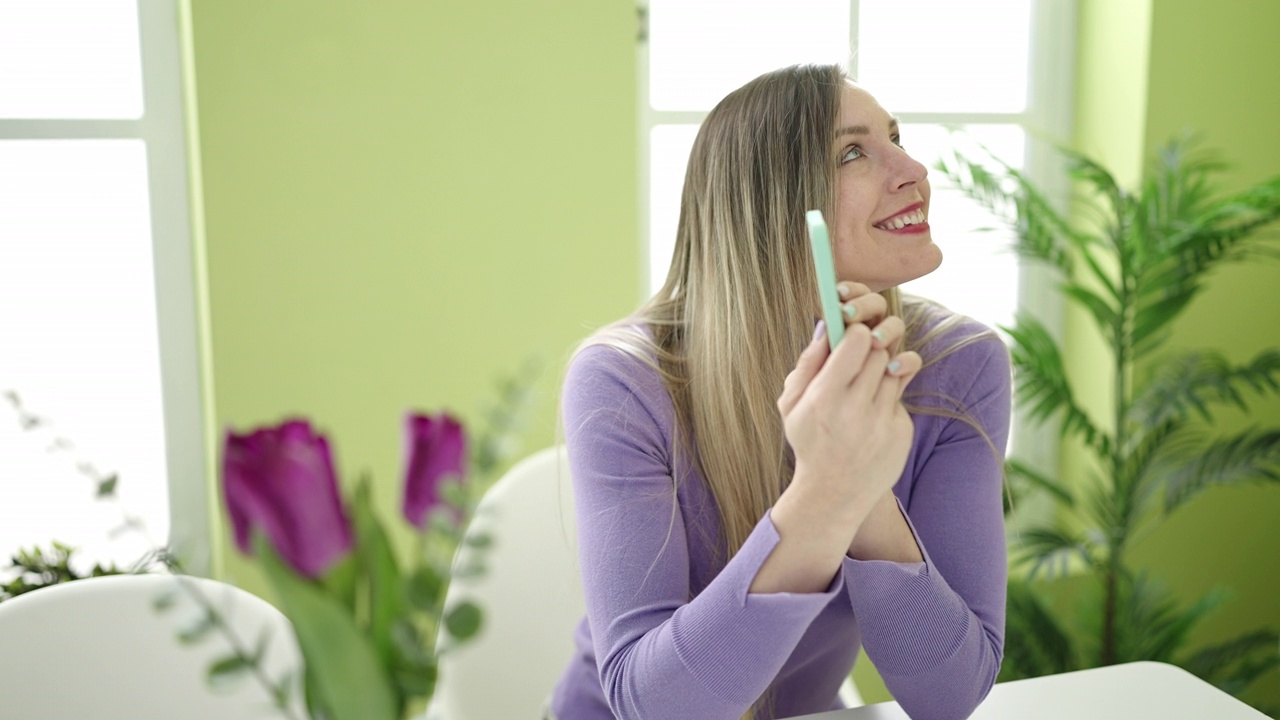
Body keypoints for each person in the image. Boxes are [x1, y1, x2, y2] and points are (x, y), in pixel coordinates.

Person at [549, 63, 1011, 720]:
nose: (913, 170)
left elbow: (951, 694)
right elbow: (652, 708)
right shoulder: (625, 380)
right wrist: (825, 493)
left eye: (896, 137)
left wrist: (862, 485)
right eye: (854, 151)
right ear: (770, 207)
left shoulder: (961, 366)